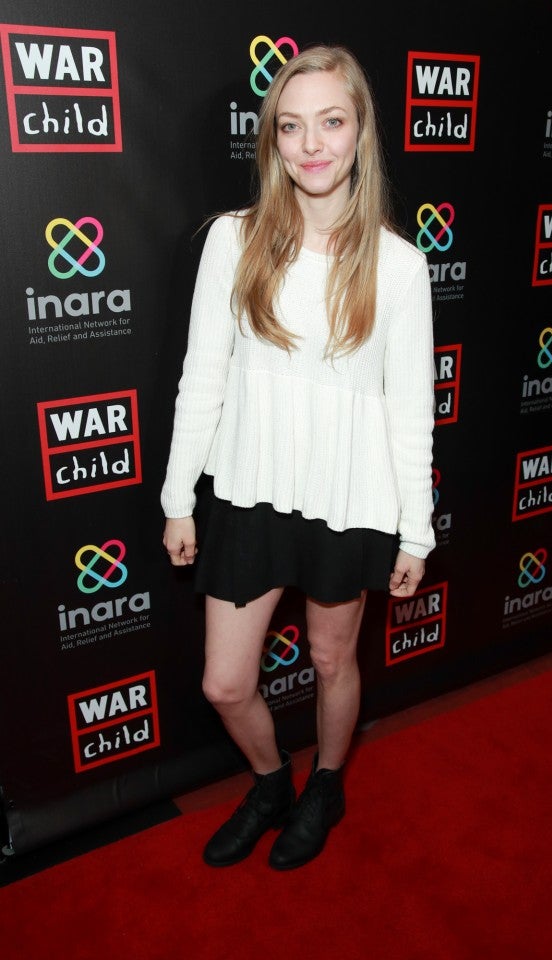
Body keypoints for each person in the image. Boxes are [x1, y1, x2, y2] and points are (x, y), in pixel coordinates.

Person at [161, 43, 435, 871]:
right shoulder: (234, 240)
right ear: (273, 141)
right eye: (291, 126)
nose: (312, 144)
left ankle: (328, 785)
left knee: (329, 658)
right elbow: (203, 376)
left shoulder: (399, 265)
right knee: (225, 682)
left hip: (349, 495)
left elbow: (410, 411)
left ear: (360, 133)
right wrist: (179, 497)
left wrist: (416, 532)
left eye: (331, 121)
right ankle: (271, 781)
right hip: (248, 489)